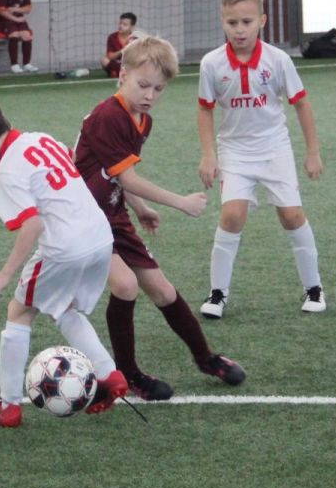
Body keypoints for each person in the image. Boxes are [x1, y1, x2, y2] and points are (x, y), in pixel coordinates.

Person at [0, 94, 128, 427]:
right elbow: (69, 162)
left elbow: (33, 225)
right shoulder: (40, 138)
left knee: (19, 311)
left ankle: (9, 406)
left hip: (65, 246)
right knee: (64, 307)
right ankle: (109, 374)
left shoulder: (6, 171)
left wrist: (4, 274)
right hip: (100, 236)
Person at [75, 36, 246, 400]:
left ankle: (205, 358)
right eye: (143, 85)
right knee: (125, 286)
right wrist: (179, 202)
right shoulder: (109, 116)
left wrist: (140, 208)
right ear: (122, 75)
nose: (150, 95)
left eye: (159, 89)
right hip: (84, 219)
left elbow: (116, 173)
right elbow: (127, 177)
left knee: (163, 290)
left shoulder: (141, 120)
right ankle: (128, 374)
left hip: (113, 213)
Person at [197, 0, 326, 319]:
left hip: (274, 148)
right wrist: (208, 154)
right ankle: (217, 293)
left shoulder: (278, 60)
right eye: (232, 22)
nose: (239, 29)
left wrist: (312, 151)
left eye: (247, 21)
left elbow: (301, 104)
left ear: (262, 21)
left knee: (291, 215)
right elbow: (205, 110)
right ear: (222, 21)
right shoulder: (211, 64)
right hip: (234, 151)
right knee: (232, 215)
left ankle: (314, 287)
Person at [0, 0, 37, 74]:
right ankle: (14, 64)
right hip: (7, 20)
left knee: (27, 35)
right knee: (14, 35)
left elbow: (28, 9)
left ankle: (27, 64)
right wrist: (15, 18)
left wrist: (15, 9)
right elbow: (2, 11)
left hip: (20, 19)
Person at [100, 12, 137, 78]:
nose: (121, 26)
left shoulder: (135, 38)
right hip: (117, 63)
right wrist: (122, 51)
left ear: (132, 27)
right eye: (120, 23)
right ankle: (119, 73)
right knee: (104, 60)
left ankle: (117, 73)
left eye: (125, 24)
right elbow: (110, 56)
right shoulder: (112, 37)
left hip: (129, 64)